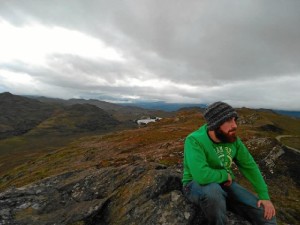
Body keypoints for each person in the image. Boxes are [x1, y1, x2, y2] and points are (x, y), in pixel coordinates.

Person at [182, 101, 277, 225]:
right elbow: (201, 175)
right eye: (228, 121)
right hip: (194, 185)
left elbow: (250, 166)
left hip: (225, 184)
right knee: (214, 193)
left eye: (235, 120)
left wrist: (264, 196)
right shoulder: (194, 140)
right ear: (215, 125)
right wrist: (225, 175)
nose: (235, 125)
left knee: (266, 214)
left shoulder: (233, 140)